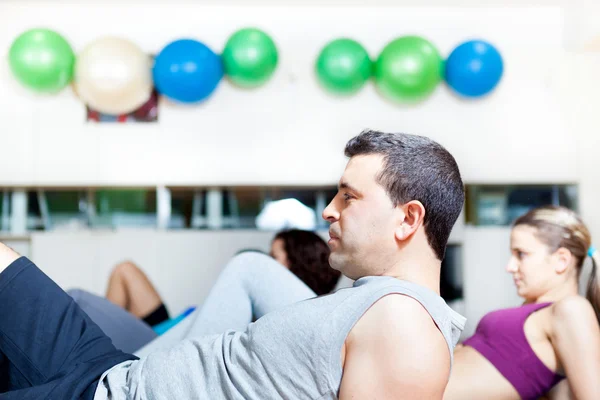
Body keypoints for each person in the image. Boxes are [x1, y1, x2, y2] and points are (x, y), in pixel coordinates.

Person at [0, 129, 466, 399]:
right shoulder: (374, 304)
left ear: (408, 218)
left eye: (349, 196)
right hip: (114, 372)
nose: (329, 209)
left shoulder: (407, 328)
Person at [68, 229, 341, 353]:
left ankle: (92, 350)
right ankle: (91, 348)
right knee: (124, 270)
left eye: (274, 256)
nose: (266, 259)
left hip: (156, 341)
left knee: (78, 299)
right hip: (173, 327)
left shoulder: (280, 313)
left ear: (293, 266)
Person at [443, 205, 600, 400]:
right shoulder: (537, 311)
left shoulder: (573, 309)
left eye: (521, 254)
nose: (510, 266)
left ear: (562, 260)